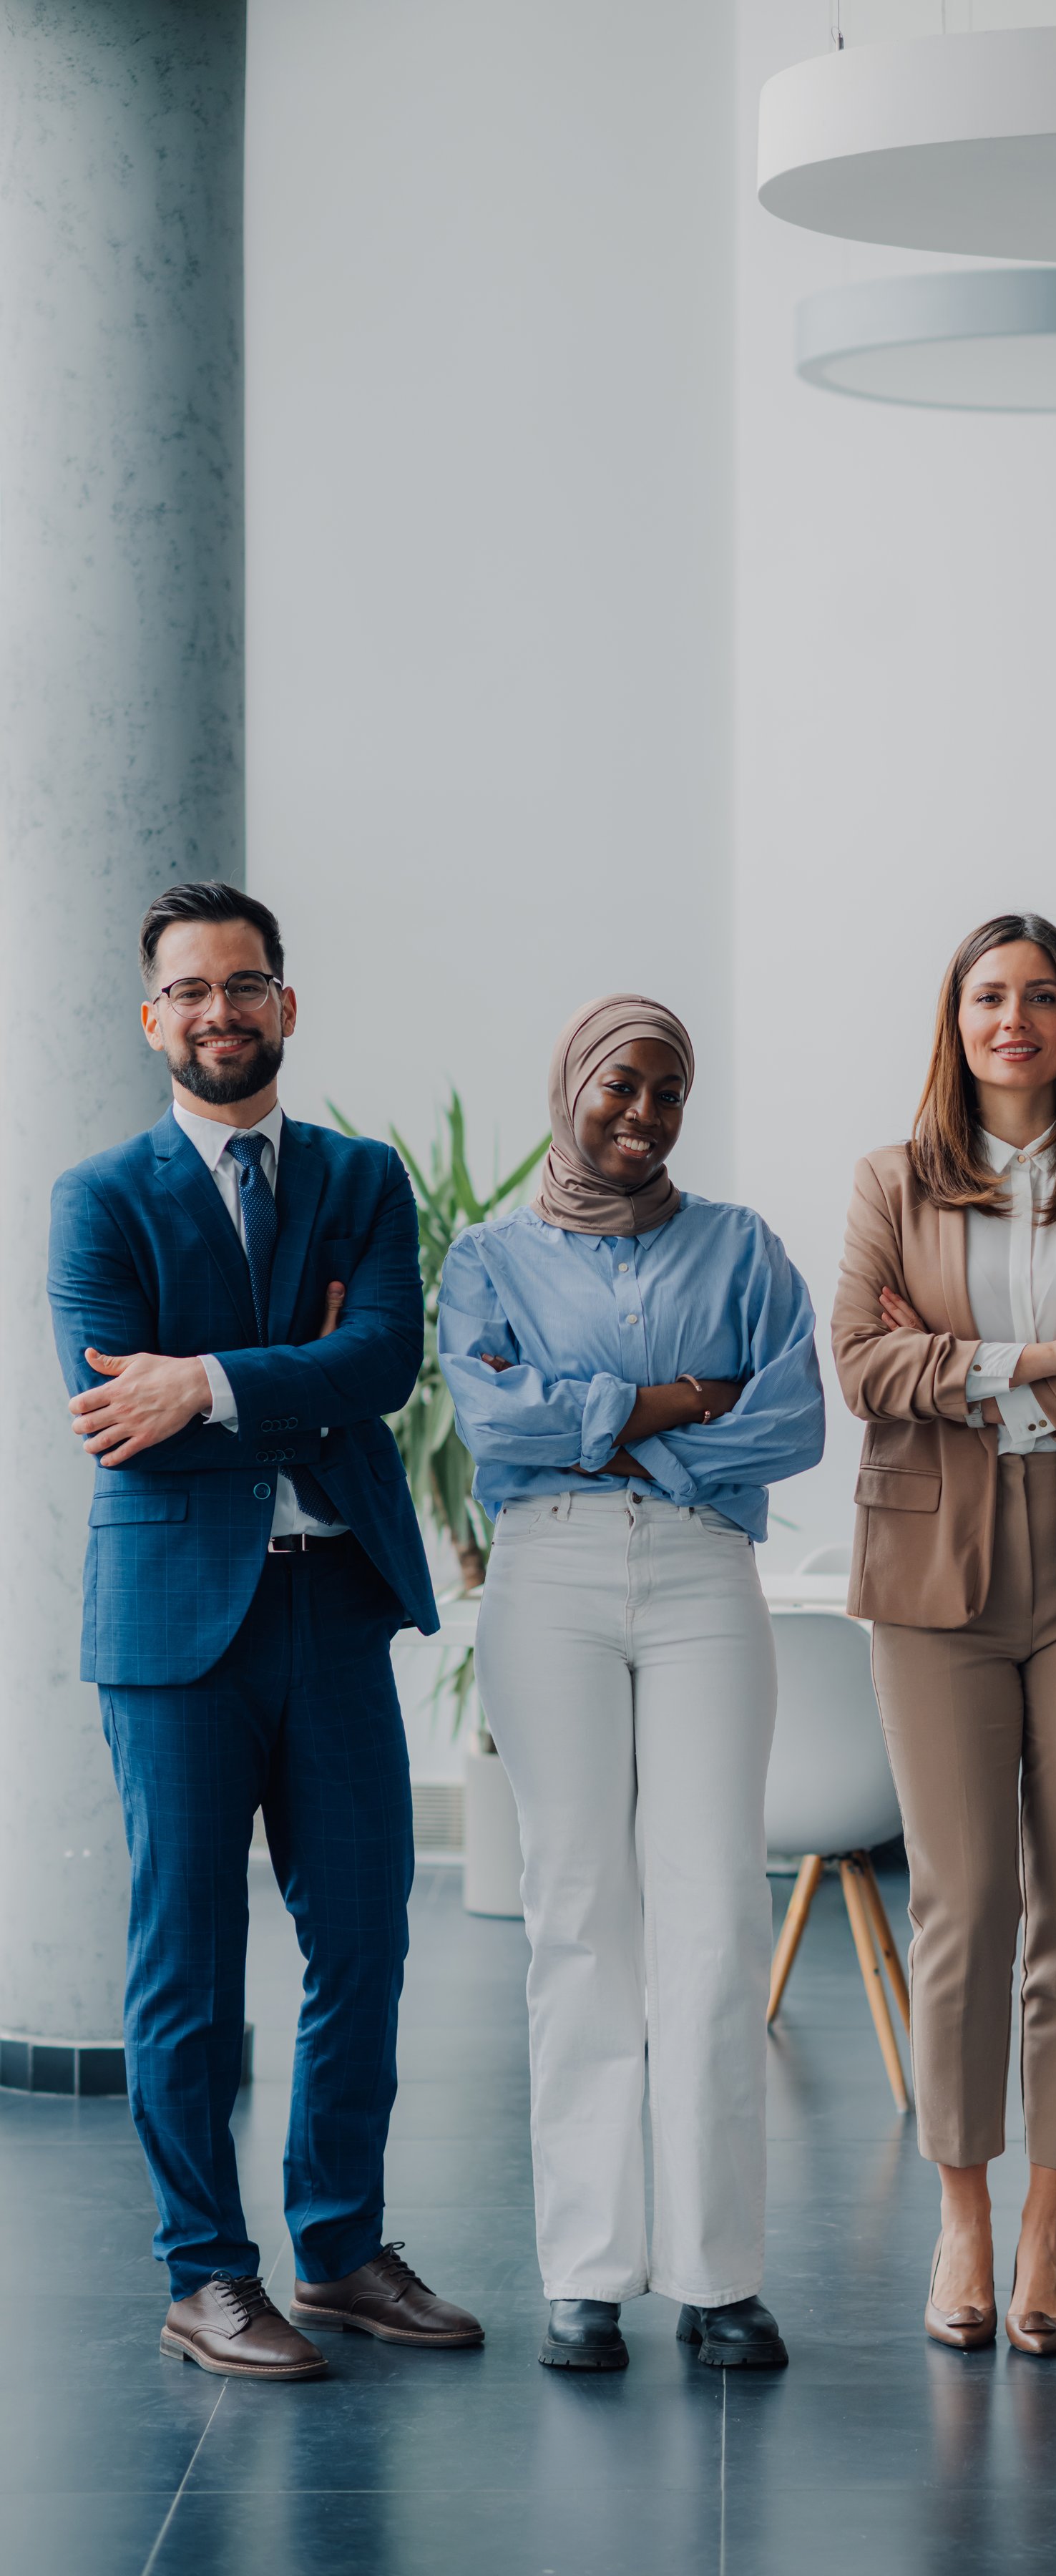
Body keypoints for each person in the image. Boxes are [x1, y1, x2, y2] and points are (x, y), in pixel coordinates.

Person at [47, 881, 481, 2381]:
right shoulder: (100, 1200)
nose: (219, 1012)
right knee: (190, 1958)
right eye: (190, 990)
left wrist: (211, 1379)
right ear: (152, 1017)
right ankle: (206, 2272)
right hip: (175, 1629)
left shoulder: (360, 1179)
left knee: (364, 1937)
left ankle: (344, 2247)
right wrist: (284, 1369)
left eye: (246, 986)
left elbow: (380, 1361)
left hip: (334, 1604)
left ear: (286, 1006)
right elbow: (120, 1421)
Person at [440, 995, 823, 2374]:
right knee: (579, 1914)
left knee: (716, 1909)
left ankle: (720, 2278)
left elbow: (788, 1420)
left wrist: (595, 1424)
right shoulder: (486, 1259)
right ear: (572, 1086)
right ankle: (589, 2272)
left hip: (706, 1577)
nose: (644, 1114)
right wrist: (674, 1404)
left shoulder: (744, 1247)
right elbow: (494, 1419)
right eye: (621, 1086)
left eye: (668, 1092)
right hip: (544, 1582)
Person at [832, 914, 1056, 2357]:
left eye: (1042, 996)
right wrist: (1055, 1352)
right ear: (955, 1017)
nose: (1016, 1019)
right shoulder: (890, 1180)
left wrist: (972, 1375)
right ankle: (964, 2220)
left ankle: (1050, 2227)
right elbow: (861, 1364)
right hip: (935, 1573)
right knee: (964, 1908)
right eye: (991, 995)